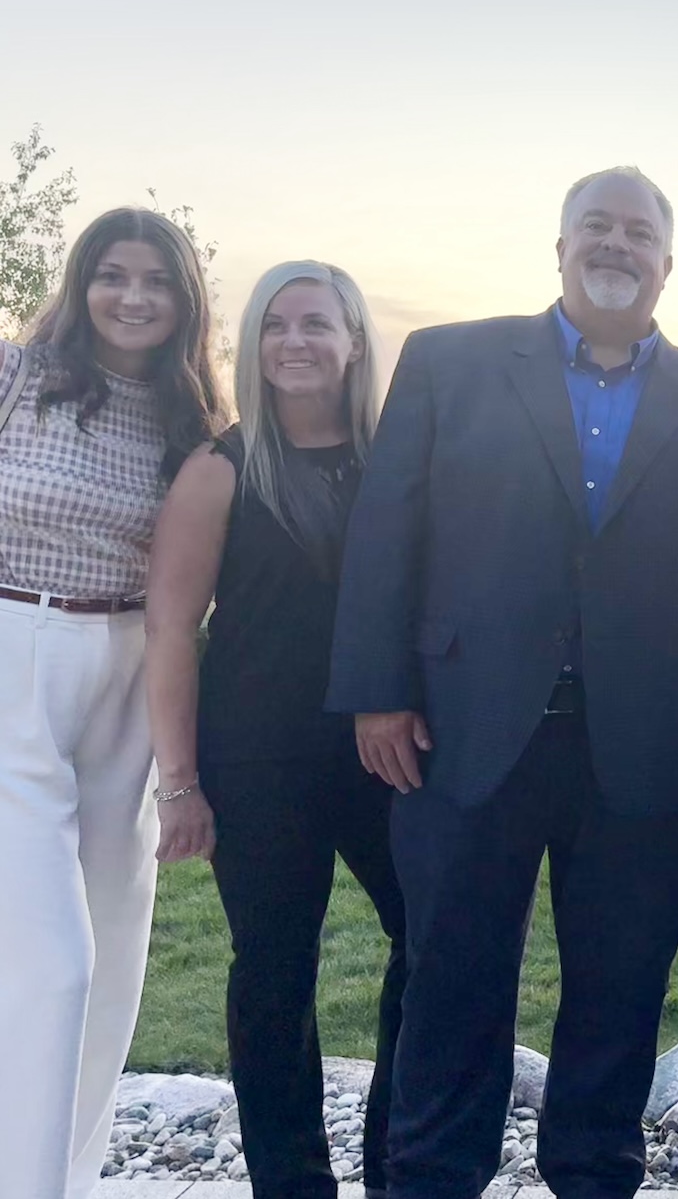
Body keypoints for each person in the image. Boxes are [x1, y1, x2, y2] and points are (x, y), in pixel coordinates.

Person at [325, 167, 678, 1199]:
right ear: (560, 246)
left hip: (646, 750)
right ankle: (432, 1176)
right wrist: (375, 691)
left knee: (619, 990)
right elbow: (387, 530)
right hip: (464, 734)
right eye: (596, 229)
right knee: (453, 983)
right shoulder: (449, 362)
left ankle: (593, 1173)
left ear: (668, 261)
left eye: (639, 233)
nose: (616, 247)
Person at [145, 261, 407, 1199]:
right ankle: (292, 1182)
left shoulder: (397, 460)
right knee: (275, 970)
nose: (294, 342)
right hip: (256, 757)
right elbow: (172, 628)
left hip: (389, 753)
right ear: (253, 344)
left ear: (354, 342)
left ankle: (396, 1165)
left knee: (430, 939)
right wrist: (180, 784)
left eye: (317, 324)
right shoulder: (221, 467)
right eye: (274, 325)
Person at [0, 207, 229, 1199]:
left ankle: (66, 1175)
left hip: (131, 670)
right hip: (16, 651)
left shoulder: (197, 425)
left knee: (114, 951)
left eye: (158, 280)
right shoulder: (14, 377)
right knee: (53, 963)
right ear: (80, 282)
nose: (134, 297)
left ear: (187, 301)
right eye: (112, 274)